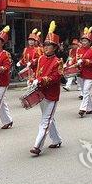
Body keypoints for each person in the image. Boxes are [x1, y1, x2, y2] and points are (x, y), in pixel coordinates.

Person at [28, 21, 63, 156]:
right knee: (48, 118)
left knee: (45, 121)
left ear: (54, 47)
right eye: (45, 44)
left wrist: (40, 80)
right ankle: (57, 139)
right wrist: (32, 79)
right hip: (41, 93)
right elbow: (34, 70)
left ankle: (37, 146)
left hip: (52, 95)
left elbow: (55, 78)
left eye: (49, 45)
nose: (46, 47)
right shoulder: (41, 58)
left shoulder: (58, 62)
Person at [77, 27, 92, 118]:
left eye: (86, 41)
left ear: (90, 42)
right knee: (84, 91)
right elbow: (76, 59)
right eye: (83, 41)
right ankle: (90, 108)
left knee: (86, 90)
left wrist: (85, 61)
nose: (84, 42)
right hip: (80, 73)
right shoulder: (79, 49)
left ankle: (83, 108)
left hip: (89, 74)